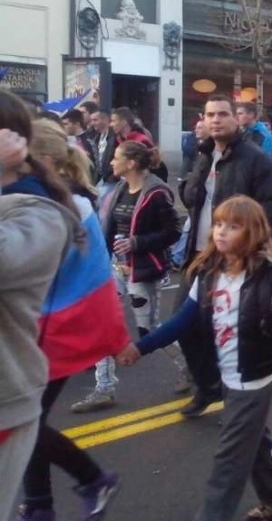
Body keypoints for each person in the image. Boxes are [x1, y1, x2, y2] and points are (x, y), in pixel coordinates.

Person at [116, 196, 272, 521]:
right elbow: (182, 321)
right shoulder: (211, 272)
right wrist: (140, 348)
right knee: (252, 440)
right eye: (218, 224)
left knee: (230, 457)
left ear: (252, 232)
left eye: (233, 226)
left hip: (255, 377)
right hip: (226, 371)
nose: (221, 232)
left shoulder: (271, 277)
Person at [0, 93, 128, 521]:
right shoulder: (58, 202)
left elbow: (75, 274)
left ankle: (85, 481)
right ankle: (43, 502)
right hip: (49, 322)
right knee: (28, 418)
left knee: (26, 418)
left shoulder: (57, 209)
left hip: (60, 324)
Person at [179, 94, 272, 418]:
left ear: (235, 119)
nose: (215, 120)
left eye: (223, 114)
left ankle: (236, 393)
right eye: (210, 114)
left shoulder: (255, 160)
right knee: (185, 324)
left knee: (233, 329)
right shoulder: (203, 155)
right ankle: (208, 386)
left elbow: (270, 212)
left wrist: (255, 257)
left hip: (235, 258)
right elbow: (190, 198)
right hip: (199, 254)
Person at [71, 141, 186, 412]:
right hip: (115, 268)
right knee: (102, 322)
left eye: (116, 158)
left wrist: (137, 243)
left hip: (143, 269)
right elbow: (110, 229)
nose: (111, 162)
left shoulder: (157, 192)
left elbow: (173, 232)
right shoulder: (121, 188)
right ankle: (104, 388)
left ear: (131, 163)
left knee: (151, 330)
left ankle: (191, 369)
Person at [0, 125, 77, 521]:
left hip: (14, 383)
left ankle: (47, 501)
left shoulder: (41, 215)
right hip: (33, 353)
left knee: (37, 426)